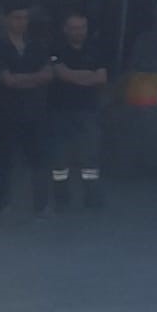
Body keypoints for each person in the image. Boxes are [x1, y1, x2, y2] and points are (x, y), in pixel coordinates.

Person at [0, 3, 54, 218]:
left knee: (39, 158)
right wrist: (34, 79)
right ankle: (3, 204)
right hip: (4, 112)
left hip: (33, 112)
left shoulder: (37, 45)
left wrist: (21, 79)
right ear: (6, 19)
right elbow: (6, 80)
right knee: (3, 159)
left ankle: (41, 205)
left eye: (25, 18)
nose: (21, 22)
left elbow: (48, 75)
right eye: (17, 17)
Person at [50, 12, 108, 209]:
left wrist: (74, 76)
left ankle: (92, 198)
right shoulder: (56, 49)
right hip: (60, 111)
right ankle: (61, 199)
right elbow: (61, 74)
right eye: (74, 28)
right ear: (65, 29)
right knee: (60, 158)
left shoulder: (96, 50)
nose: (79, 32)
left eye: (82, 27)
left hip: (89, 111)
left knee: (90, 157)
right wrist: (88, 76)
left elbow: (101, 78)